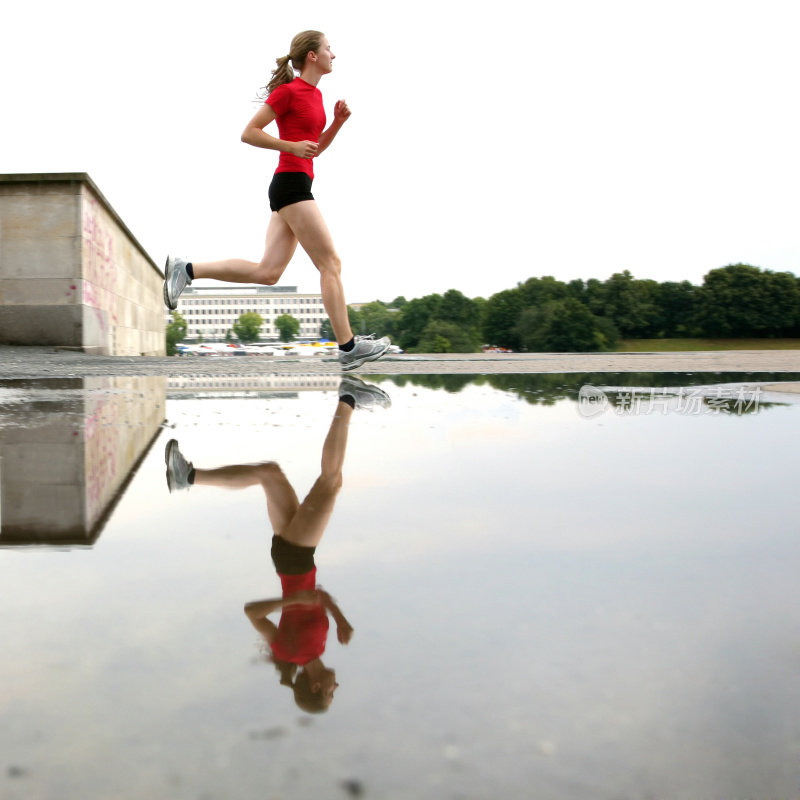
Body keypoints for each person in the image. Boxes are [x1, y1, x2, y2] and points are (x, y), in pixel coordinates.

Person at [163, 30, 391, 372]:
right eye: (329, 48)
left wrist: (338, 124)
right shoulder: (289, 92)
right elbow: (249, 132)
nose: (334, 54)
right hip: (291, 186)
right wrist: (290, 147)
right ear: (312, 56)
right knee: (330, 263)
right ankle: (348, 348)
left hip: (294, 182)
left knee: (268, 272)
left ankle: (187, 269)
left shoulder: (316, 97)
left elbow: (313, 150)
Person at [164, 376, 391, 711]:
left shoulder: (291, 652)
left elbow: (253, 613)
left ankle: (349, 399)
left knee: (331, 481)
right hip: (292, 560)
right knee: (269, 472)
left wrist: (293, 600)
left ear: (314, 686)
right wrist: (339, 617)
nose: (336, 687)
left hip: (296, 558)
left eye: (330, 693)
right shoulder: (317, 649)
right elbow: (319, 596)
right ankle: (187, 476)